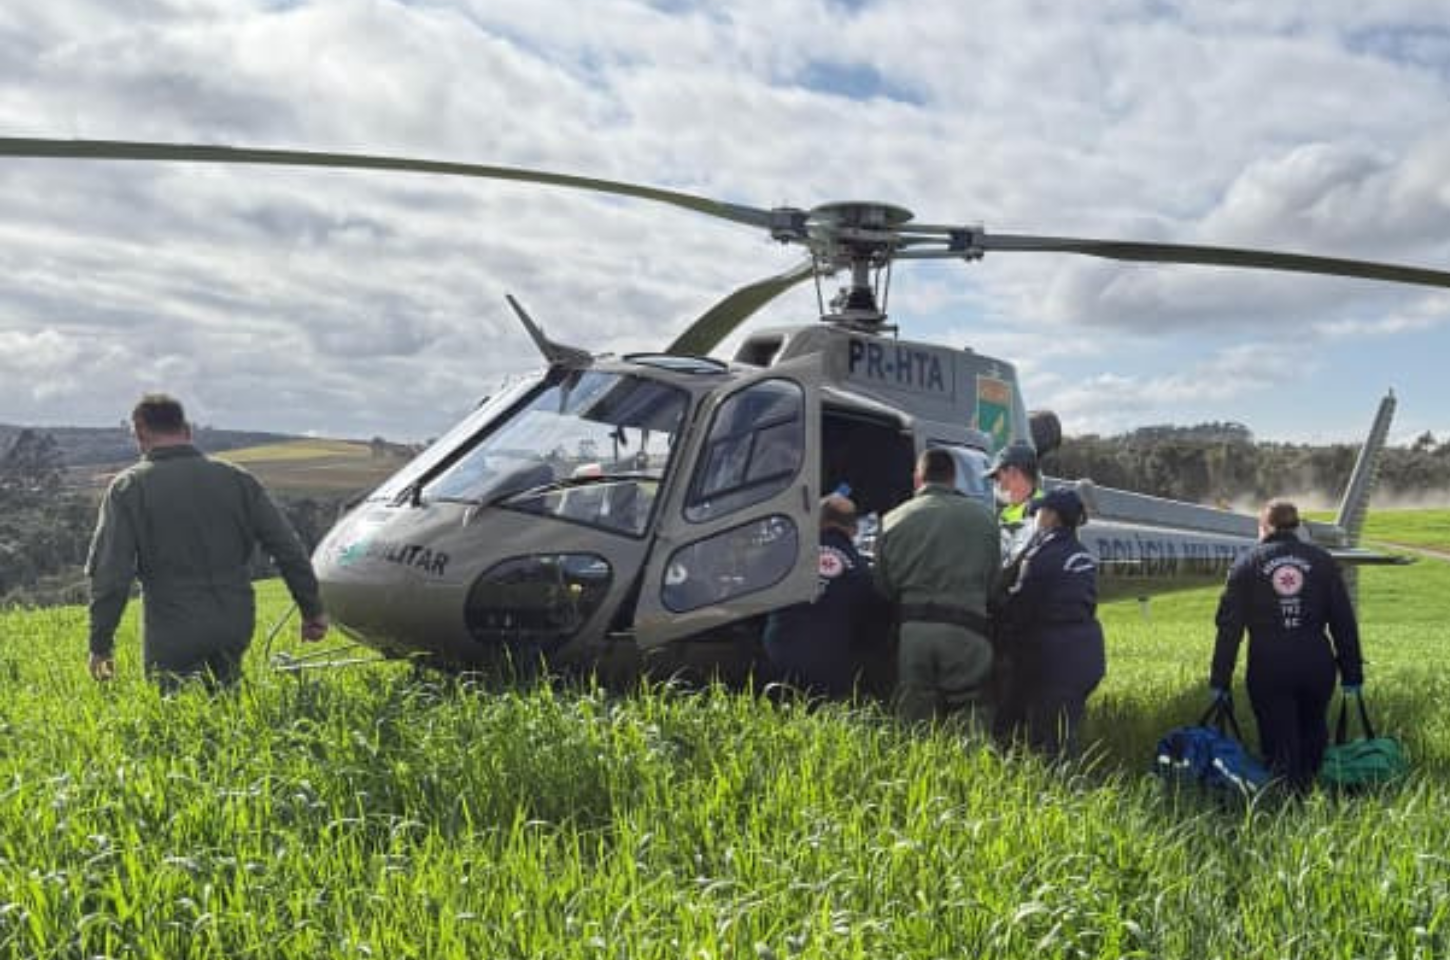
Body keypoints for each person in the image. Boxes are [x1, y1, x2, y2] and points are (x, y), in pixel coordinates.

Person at [86, 393, 329, 690]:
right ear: (187, 431)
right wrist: (312, 610)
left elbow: (111, 574)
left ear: (139, 434)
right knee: (229, 708)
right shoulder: (238, 479)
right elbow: (287, 549)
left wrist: (100, 645)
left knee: (175, 719)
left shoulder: (129, 487)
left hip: (173, 627)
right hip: (235, 622)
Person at [1209, 498, 1365, 792]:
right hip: (1317, 665)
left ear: (1264, 527)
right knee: (1313, 730)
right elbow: (1343, 621)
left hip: (1270, 667)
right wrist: (1352, 672)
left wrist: (1220, 680)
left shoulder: (1245, 564)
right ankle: (1312, 792)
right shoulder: (1322, 561)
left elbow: (1229, 630)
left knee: (1278, 741)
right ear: (1297, 526)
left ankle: (1286, 801)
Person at [874, 448, 1000, 724]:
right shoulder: (985, 520)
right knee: (970, 709)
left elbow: (883, 587)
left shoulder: (892, 520)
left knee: (914, 714)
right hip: (967, 631)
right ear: (953, 479)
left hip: (913, 634)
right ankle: (971, 763)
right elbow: (994, 586)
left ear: (918, 478)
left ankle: (915, 763)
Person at [994, 488, 1106, 757]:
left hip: (1054, 659)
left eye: (1040, 511)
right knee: (1064, 732)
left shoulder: (1042, 557)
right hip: (1085, 655)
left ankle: (1060, 792)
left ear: (1053, 517)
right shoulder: (1081, 555)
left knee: (1047, 746)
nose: (1036, 517)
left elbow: (1019, 610)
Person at [762, 494, 889, 697]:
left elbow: (757, 591)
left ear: (818, 521)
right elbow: (870, 628)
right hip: (827, 670)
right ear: (854, 529)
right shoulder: (860, 570)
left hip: (778, 659)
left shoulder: (786, 550)